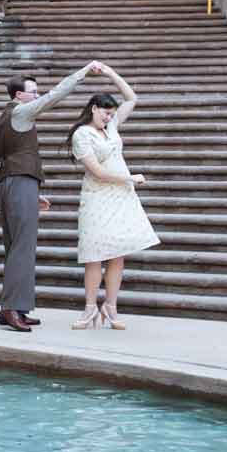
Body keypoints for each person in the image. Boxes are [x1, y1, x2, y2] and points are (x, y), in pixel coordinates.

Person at [0, 61, 98, 332]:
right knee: (22, 246)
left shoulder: (6, 115)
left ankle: (14, 307)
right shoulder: (21, 111)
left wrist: (32, 193)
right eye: (33, 92)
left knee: (15, 246)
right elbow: (55, 95)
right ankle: (11, 309)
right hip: (19, 182)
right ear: (19, 95)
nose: (38, 96)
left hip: (13, 182)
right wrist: (83, 72)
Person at [65, 65, 159, 329]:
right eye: (105, 113)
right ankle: (89, 309)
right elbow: (97, 171)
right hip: (97, 196)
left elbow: (132, 98)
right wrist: (130, 177)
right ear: (94, 109)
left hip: (121, 197)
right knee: (94, 254)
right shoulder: (82, 134)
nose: (109, 118)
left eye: (111, 114)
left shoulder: (112, 125)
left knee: (118, 253)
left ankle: (111, 306)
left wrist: (109, 73)